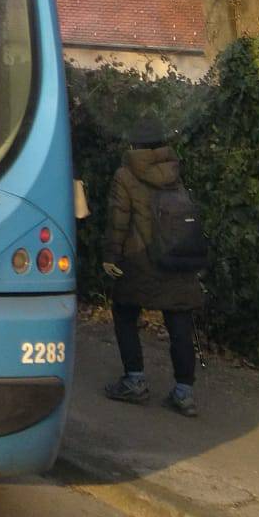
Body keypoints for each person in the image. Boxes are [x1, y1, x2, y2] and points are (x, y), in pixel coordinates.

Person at [102, 118, 205, 416]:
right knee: (179, 322)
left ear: (133, 144)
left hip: (140, 260)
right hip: (177, 258)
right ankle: (184, 392)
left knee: (123, 312)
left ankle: (134, 381)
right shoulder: (174, 171)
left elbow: (119, 221)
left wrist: (110, 256)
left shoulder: (125, 174)